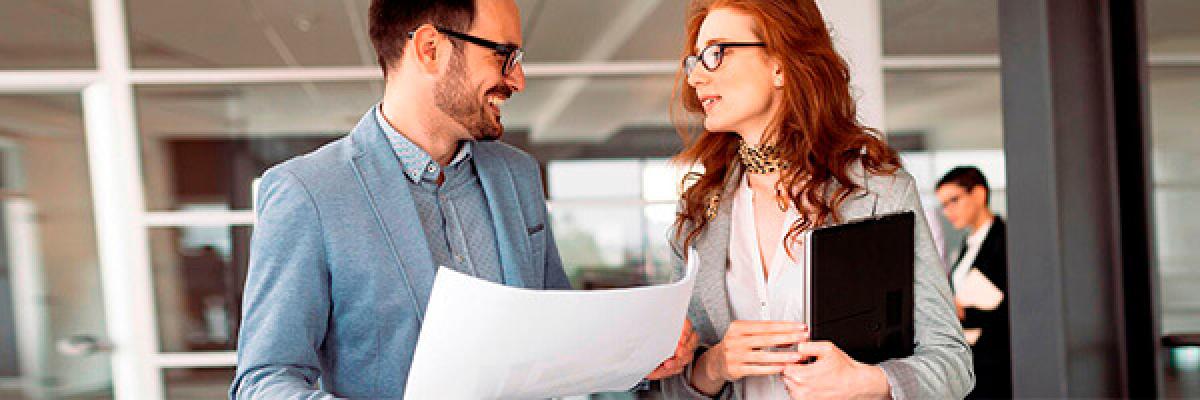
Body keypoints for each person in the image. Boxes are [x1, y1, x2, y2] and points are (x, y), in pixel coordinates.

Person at [230, 0, 694, 397]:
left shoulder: (518, 176)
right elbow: (264, 379)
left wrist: (633, 353)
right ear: (430, 49)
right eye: (504, 55)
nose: (519, 80)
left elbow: (555, 333)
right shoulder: (307, 192)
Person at [657, 0, 974, 398]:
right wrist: (715, 364)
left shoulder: (878, 192)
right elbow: (669, 383)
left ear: (780, 64)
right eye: (695, 60)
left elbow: (953, 362)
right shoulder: (696, 218)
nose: (697, 77)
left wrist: (868, 382)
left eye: (717, 53)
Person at [936, 166, 1011, 399]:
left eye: (954, 201)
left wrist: (964, 313)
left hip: (996, 362)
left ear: (978, 194)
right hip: (970, 362)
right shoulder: (967, 244)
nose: (948, 212)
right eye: (944, 206)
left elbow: (1017, 309)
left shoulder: (1005, 240)